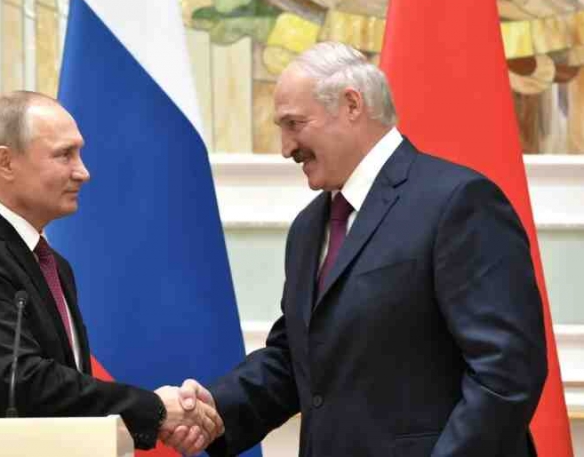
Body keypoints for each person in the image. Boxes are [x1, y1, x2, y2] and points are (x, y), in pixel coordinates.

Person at [164, 42, 548, 456]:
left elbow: (506, 371)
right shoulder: (309, 227)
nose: (286, 148)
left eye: (294, 124)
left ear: (351, 105)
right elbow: (296, 357)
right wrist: (214, 409)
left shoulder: (458, 202)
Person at [0, 91, 221, 451]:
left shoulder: (53, 264)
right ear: (6, 162)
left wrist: (156, 415)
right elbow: (25, 382)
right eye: (64, 154)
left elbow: (67, 399)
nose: (83, 172)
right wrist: (153, 410)